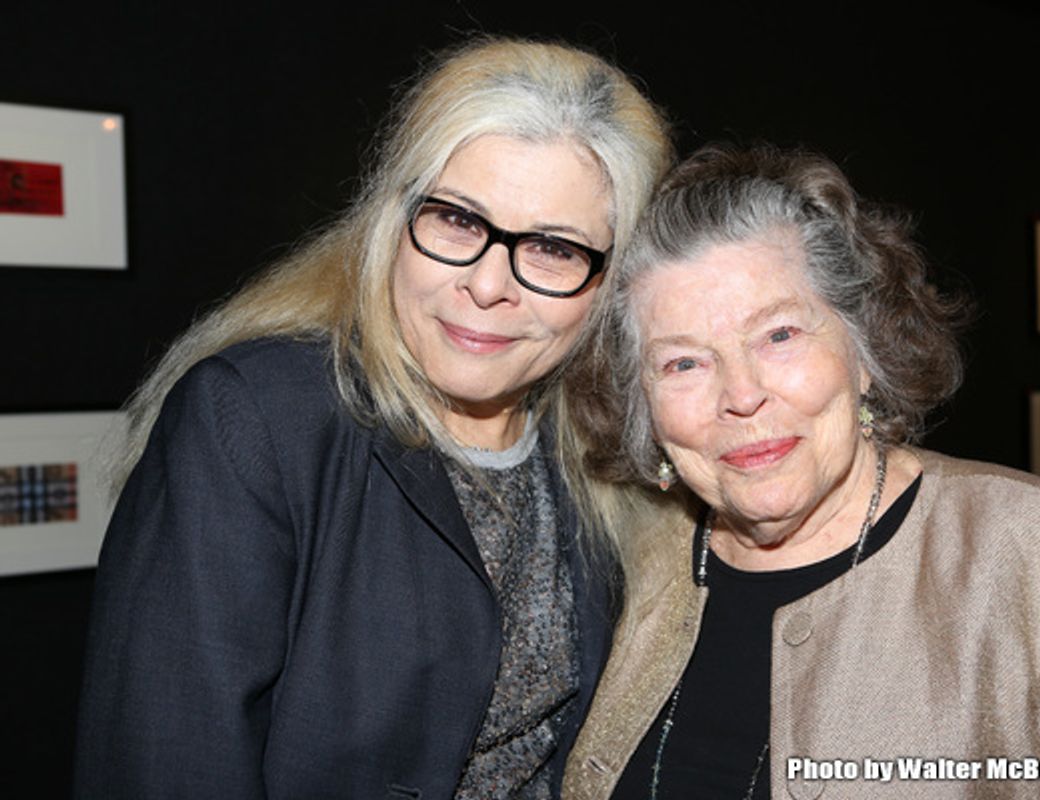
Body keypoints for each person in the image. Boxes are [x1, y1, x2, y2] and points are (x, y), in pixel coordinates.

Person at [73, 38, 672, 799]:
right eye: (458, 219)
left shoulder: (599, 449)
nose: (489, 284)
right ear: (393, 216)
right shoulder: (253, 420)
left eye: (554, 248)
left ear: (613, 281)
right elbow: (165, 763)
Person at [563, 145, 1040, 798]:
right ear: (641, 404)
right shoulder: (628, 565)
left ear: (864, 351)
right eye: (684, 364)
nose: (742, 395)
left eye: (780, 336)